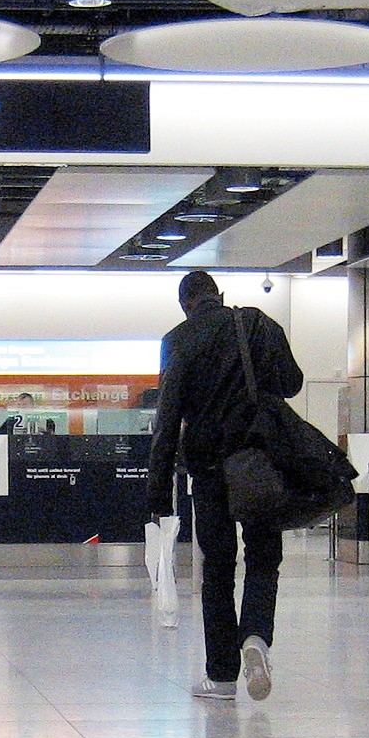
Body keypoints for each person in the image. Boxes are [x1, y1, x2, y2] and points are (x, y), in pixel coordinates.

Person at [146, 271, 303, 702]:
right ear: (219, 294)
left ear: (185, 305)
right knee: (263, 557)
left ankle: (221, 677)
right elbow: (292, 382)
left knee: (216, 570)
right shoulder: (258, 323)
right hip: (260, 462)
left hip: (209, 469)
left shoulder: (177, 339)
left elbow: (166, 419)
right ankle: (255, 637)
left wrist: (158, 492)